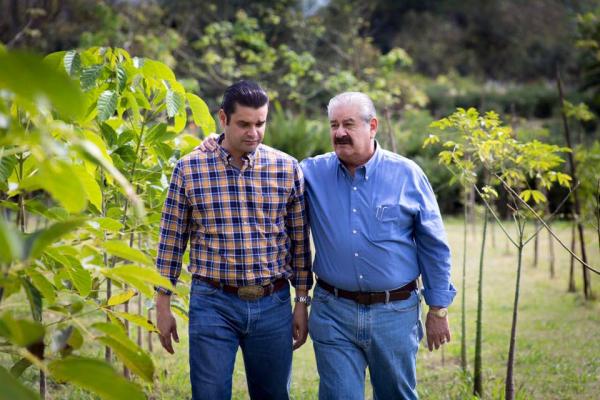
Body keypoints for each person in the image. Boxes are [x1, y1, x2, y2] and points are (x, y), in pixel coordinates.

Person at [200, 91, 455, 399]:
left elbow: (433, 245)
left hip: (395, 313)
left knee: (396, 394)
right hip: (334, 312)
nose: (340, 132)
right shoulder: (310, 173)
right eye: (334, 125)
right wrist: (217, 143)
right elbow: (264, 163)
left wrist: (438, 309)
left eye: (349, 124)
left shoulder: (407, 175)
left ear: (373, 126)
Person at [154, 80, 313, 400]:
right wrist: (162, 304)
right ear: (223, 118)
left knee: (273, 395)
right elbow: (171, 240)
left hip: (273, 303)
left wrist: (301, 302)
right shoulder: (190, 169)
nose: (253, 132)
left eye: (260, 123)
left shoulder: (286, 168)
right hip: (213, 303)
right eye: (244, 124)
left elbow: (299, 242)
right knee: (209, 394)